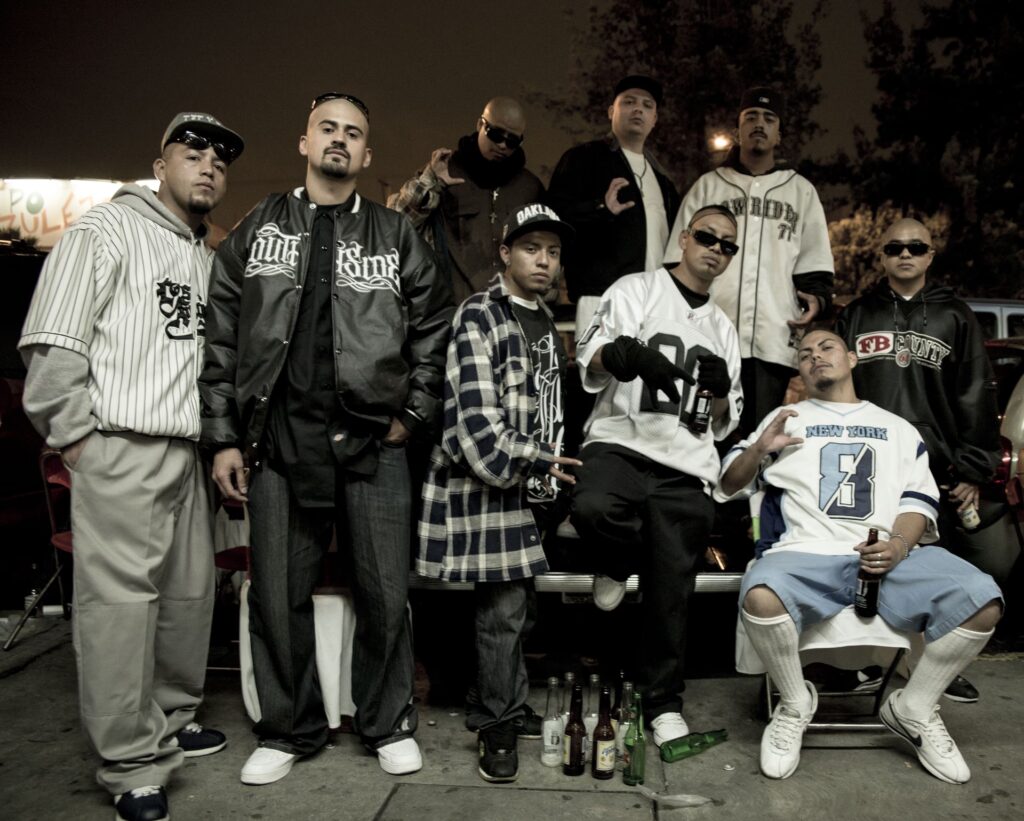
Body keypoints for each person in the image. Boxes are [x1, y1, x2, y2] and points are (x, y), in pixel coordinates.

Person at [199, 92, 453, 786]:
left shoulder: (393, 232)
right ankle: (289, 728)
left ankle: (387, 721)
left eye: (354, 133)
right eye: (328, 128)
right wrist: (224, 438)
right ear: (304, 143)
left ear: (367, 154)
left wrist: (414, 413)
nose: (340, 140)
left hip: (374, 438)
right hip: (279, 438)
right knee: (277, 593)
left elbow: (435, 326)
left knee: (384, 592)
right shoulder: (260, 227)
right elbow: (220, 335)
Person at [19, 111, 243, 821]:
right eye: (192, 151)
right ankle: (130, 764)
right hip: (121, 442)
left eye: (220, 159)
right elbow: (53, 343)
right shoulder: (106, 227)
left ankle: (170, 721)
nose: (208, 165)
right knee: (119, 613)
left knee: (187, 602)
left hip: (185, 452)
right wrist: (76, 438)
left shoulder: (203, 253)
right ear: (160, 164)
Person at [718, 329, 1002, 784]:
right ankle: (794, 703)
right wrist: (757, 450)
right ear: (799, 370)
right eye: (805, 354)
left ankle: (914, 708)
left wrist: (898, 547)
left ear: (852, 358)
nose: (815, 356)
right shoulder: (785, 419)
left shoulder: (898, 427)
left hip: (888, 554)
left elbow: (917, 503)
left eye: (826, 347)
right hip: (804, 552)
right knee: (761, 597)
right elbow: (730, 484)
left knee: (982, 598)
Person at [418, 202, 581, 783]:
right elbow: (473, 422)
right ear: (506, 253)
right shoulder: (479, 315)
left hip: (538, 485)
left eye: (553, 252)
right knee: (502, 612)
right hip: (494, 481)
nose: (544, 261)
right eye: (531, 249)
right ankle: (495, 723)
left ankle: (500, 698)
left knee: (523, 610)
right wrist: (533, 457)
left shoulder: (544, 318)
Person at [569, 205, 743, 746]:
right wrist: (623, 357)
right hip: (621, 442)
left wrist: (719, 391)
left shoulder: (723, 327)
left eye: (728, 245)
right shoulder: (637, 289)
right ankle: (615, 561)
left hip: (686, 462)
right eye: (708, 237)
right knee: (593, 506)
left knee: (672, 588)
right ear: (685, 238)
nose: (716, 249)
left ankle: (663, 701)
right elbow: (590, 356)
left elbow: (724, 421)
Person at [836, 217, 1001, 703]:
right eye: (894, 247)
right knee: (862, 557)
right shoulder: (858, 313)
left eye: (915, 247)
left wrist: (972, 466)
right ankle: (863, 662)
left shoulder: (955, 315)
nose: (905, 254)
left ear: (931, 255)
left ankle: (930, 666)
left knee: (930, 567)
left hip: (934, 464)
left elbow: (976, 391)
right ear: (882, 256)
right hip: (866, 458)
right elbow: (834, 383)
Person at [665, 87, 834, 435]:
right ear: (738, 130)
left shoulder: (800, 190)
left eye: (769, 119)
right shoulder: (708, 186)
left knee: (758, 436)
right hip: (707, 332)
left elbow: (814, 259)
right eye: (751, 117)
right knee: (698, 431)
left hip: (773, 336)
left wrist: (816, 298)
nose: (760, 124)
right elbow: (675, 261)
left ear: (779, 134)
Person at [547, 74, 680, 339]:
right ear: (611, 111)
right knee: (602, 367)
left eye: (647, 105)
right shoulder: (584, 159)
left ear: (655, 119)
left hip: (656, 304)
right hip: (603, 299)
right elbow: (553, 220)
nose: (638, 109)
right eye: (629, 102)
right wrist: (600, 209)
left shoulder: (663, 180)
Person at [388, 97, 544, 304]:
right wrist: (430, 182)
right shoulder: (445, 170)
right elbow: (394, 226)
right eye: (496, 134)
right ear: (480, 125)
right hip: (452, 309)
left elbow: (545, 249)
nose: (502, 145)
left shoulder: (530, 187)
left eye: (512, 141)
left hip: (512, 311)